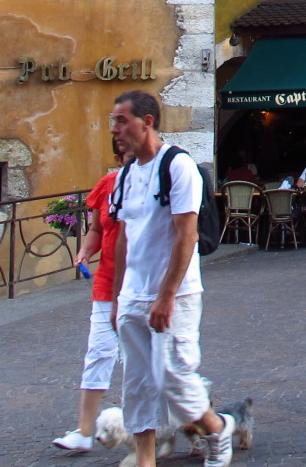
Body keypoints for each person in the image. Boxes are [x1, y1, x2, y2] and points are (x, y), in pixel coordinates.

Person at [108, 90, 235, 467]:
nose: (114, 129)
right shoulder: (125, 175)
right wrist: (117, 298)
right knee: (137, 384)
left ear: (146, 122)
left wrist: (166, 296)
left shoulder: (178, 166)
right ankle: (145, 459)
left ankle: (217, 429)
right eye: (114, 121)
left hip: (175, 295)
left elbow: (187, 235)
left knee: (173, 378)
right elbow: (123, 240)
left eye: (121, 121)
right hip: (134, 295)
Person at [53, 140, 130, 453]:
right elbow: (97, 229)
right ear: (118, 158)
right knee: (99, 353)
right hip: (107, 283)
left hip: (143, 287)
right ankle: (84, 431)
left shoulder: (157, 187)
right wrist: (86, 250)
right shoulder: (107, 186)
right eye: (129, 157)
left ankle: (151, 429)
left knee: (146, 360)